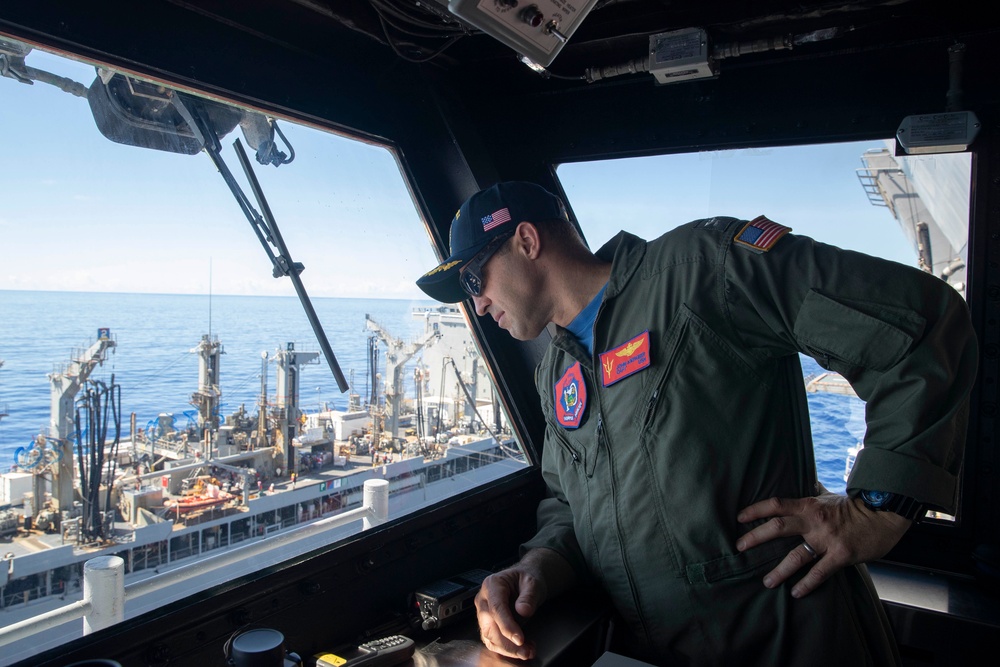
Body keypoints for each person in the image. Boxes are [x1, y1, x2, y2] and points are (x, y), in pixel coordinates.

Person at [415, 181, 977, 666]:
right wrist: (538, 565)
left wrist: (878, 508)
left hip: (789, 640)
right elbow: (569, 504)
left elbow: (920, 326)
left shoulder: (702, 272)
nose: (477, 306)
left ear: (527, 241)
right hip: (661, 652)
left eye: (473, 281)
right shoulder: (556, 370)